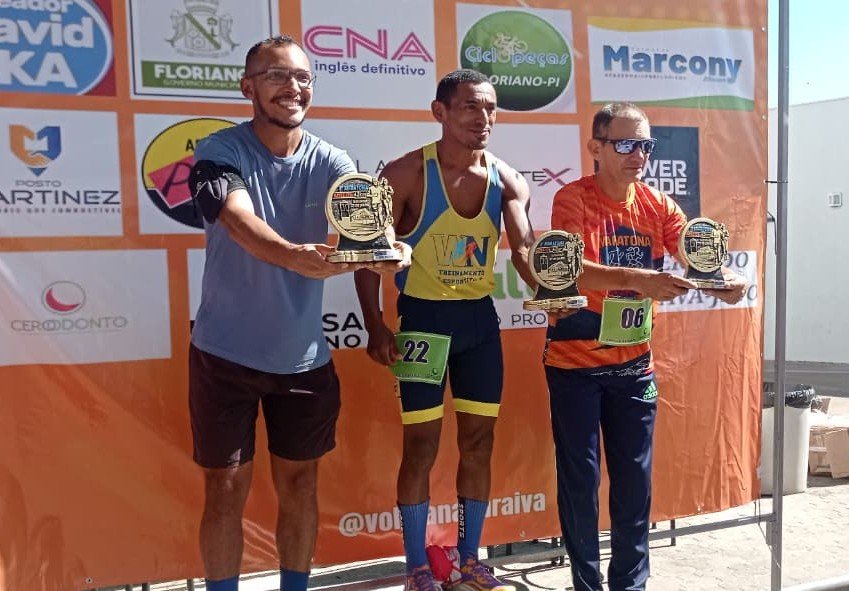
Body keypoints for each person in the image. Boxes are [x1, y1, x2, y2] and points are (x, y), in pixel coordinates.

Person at [188, 35, 409, 591]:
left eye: (303, 77)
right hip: (224, 357)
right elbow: (236, 220)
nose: (293, 87)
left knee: (300, 487)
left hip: (304, 360)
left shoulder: (332, 159)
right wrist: (292, 256)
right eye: (277, 76)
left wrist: (387, 249)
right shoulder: (218, 151)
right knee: (225, 491)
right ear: (248, 87)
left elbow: (365, 228)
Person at [543, 102, 747, 591]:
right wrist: (640, 279)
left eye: (645, 145)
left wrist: (724, 279)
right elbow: (569, 268)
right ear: (595, 148)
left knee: (634, 485)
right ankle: (586, 584)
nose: (638, 155)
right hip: (575, 365)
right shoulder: (572, 198)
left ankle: (630, 586)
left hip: (634, 367)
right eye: (625, 144)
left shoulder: (659, 205)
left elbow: (695, 256)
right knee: (581, 483)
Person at [355, 69, 537, 591]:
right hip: (423, 322)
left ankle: (470, 559)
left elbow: (524, 250)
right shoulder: (405, 173)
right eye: (470, 106)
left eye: (490, 108)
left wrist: (552, 294)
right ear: (440, 112)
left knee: (479, 442)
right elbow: (369, 254)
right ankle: (417, 566)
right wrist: (374, 324)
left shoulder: (508, 179)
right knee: (421, 447)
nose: (483, 118)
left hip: (478, 324)